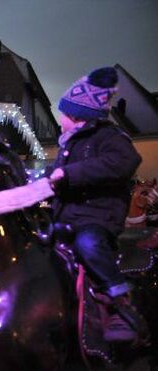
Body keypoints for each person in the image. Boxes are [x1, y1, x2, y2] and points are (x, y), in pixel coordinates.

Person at [46, 66, 145, 343]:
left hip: (97, 217)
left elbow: (124, 162)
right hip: (66, 217)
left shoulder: (110, 137)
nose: (60, 119)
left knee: (88, 244)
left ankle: (121, 302)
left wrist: (68, 174)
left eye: (64, 114)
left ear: (79, 116)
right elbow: (55, 176)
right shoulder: (69, 145)